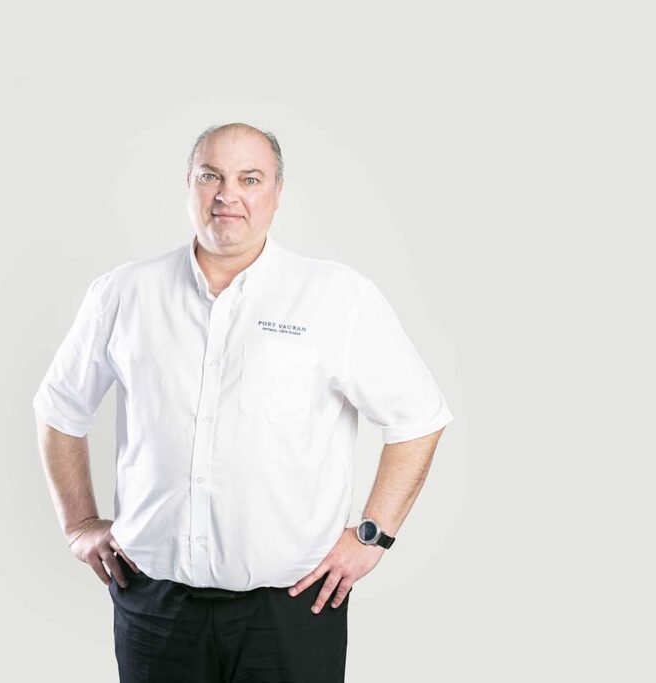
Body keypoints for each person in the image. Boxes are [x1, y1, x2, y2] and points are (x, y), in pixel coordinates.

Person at [32, 122, 454, 682]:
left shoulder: (336, 297)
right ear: (189, 183)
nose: (227, 195)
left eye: (250, 179)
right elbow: (59, 408)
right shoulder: (123, 294)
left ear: (278, 191)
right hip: (154, 608)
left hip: (291, 611)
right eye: (211, 176)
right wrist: (79, 523)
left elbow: (418, 418)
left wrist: (372, 536)